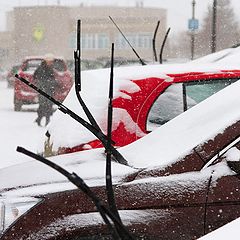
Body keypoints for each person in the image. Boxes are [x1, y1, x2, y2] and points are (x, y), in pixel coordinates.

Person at [33, 53, 58, 126]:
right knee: (43, 105)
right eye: (50, 61)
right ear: (46, 61)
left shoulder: (50, 68)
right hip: (43, 90)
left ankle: (45, 120)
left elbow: (51, 78)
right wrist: (45, 83)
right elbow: (36, 77)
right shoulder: (41, 68)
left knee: (48, 105)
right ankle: (40, 119)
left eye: (52, 61)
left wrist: (54, 83)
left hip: (49, 90)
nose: (51, 62)